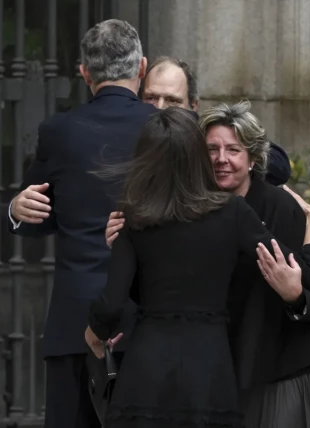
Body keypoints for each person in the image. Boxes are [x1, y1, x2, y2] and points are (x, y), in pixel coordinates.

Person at [106, 101, 310, 427]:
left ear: (252, 158)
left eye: (233, 149)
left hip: (279, 368)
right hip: (215, 369)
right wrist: (123, 247)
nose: (221, 159)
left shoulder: (278, 206)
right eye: (212, 149)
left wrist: (297, 289)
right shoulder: (184, 207)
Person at [7, 19, 155, 428]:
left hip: (76, 320)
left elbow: (34, 219)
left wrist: (14, 210)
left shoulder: (59, 131)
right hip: (148, 318)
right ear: (141, 68)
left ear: (84, 73)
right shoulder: (166, 129)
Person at [140, 55, 292, 185]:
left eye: (172, 100)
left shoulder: (205, 133)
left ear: (193, 106)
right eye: (151, 98)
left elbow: (279, 167)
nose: (160, 107)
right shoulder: (133, 132)